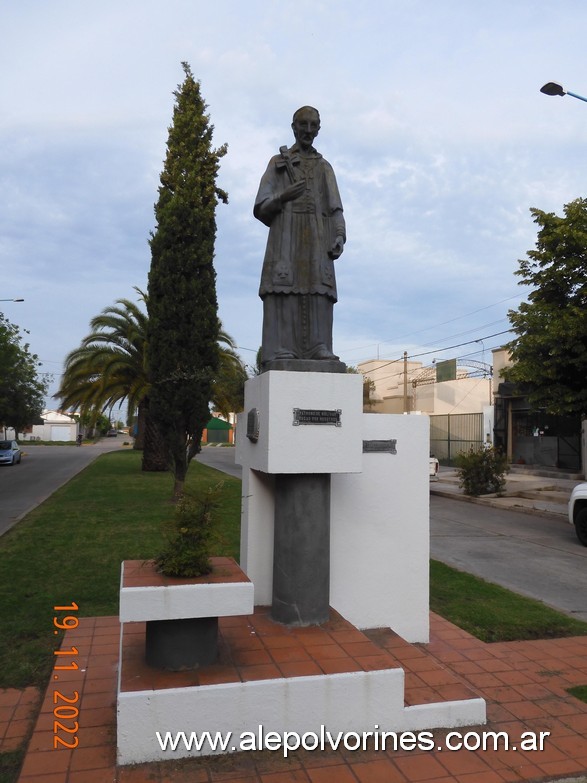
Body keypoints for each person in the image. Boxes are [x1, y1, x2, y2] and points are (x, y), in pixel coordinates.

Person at [254, 106, 346, 368]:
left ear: (318, 129)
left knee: (317, 289)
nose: (307, 130)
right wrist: (284, 196)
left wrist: (339, 235)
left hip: (317, 236)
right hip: (286, 237)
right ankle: (283, 349)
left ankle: (319, 346)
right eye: (302, 125)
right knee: (285, 289)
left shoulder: (324, 167)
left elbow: (336, 208)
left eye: (312, 125)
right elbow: (260, 206)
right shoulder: (278, 163)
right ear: (293, 127)